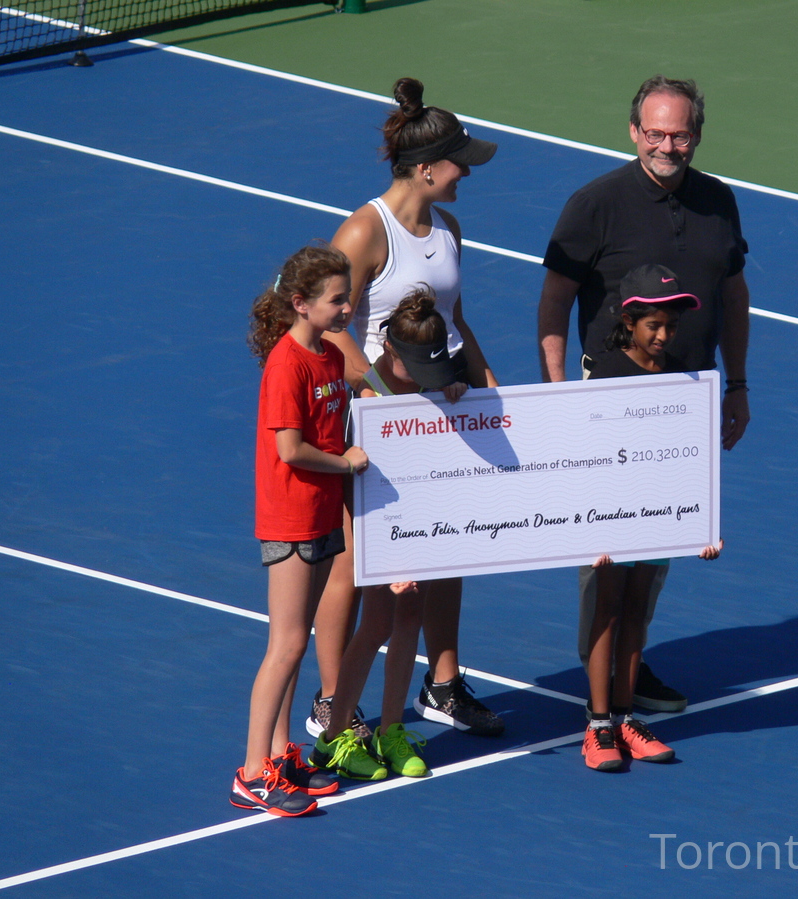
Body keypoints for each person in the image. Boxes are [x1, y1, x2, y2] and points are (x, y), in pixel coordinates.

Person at [537, 75, 752, 712]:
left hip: (686, 403)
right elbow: (554, 305)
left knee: (655, 555)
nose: (667, 145)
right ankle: (600, 689)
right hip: (610, 405)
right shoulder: (594, 203)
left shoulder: (720, 202)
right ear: (634, 132)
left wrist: (735, 384)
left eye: (679, 134)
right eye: (655, 133)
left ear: (697, 135)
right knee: (605, 560)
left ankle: (629, 664)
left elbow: (733, 298)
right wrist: (558, 399)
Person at [310, 76, 505, 741]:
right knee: (355, 565)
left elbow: (456, 320)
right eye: (459, 164)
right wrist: (382, 395)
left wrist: (488, 384)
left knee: (450, 545)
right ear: (424, 170)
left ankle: (443, 683)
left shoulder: (448, 228)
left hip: (441, 410)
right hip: (374, 418)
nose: (465, 175)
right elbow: (326, 323)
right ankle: (334, 700)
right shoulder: (365, 230)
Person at [230, 243, 367, 817]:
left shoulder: (331, 360)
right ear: (301, 303)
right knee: (285, 645)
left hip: (321, 513)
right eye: (337, 301)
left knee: (298, 640)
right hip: (290, 518)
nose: (346, 310)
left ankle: (284, 753)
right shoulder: (288, 363)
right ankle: (253, 772)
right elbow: (291, 448)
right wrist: (346, 464)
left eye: (348, 298)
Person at [310, 289, 468, 781]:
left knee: (411, 616)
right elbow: (357, 488)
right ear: (391, 353)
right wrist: (386, 557)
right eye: (418, 370)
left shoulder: (427, 377)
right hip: (373, 521)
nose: (428, 380)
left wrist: (453, 395)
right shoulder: (369, 399)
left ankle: (392, 730)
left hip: (420, 518)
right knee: (377, 622)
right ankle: (334, 736)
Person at [581, 264, 722, 771]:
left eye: (671, 327)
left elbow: (689, 454)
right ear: (630, 321)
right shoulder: (608, 373)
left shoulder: (682, 373)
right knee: (608, 610)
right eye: (654, 326)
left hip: (657, 516)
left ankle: (624, 718)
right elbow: (585, 455)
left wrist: (701, 526)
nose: (664, 336)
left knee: (637, 612)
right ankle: (597, 726)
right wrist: (588, 527)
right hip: (611, 516)